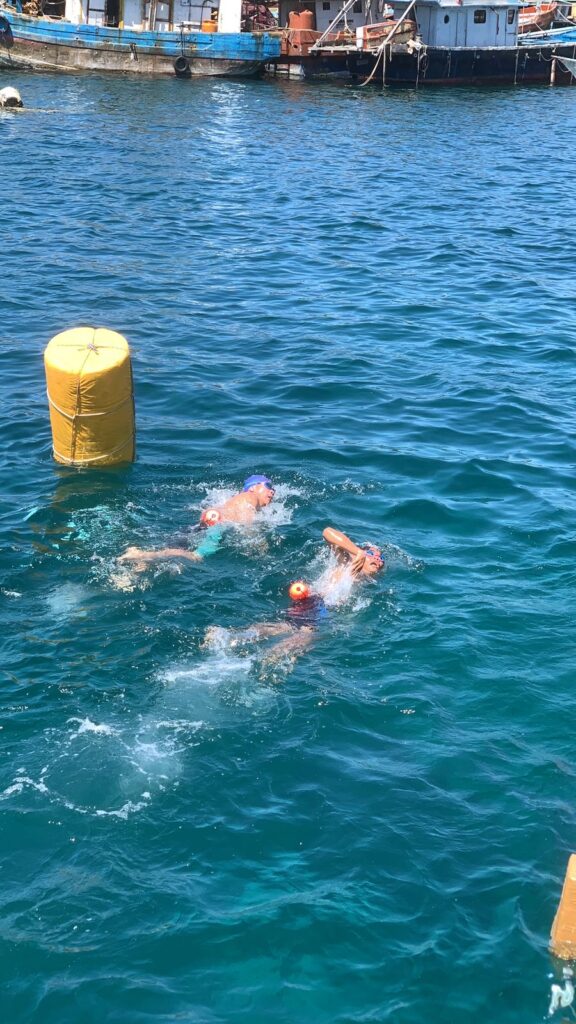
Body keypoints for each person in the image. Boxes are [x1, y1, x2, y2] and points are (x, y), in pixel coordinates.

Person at [203, 527, 385, 667]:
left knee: (284, 627)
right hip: (319, 604)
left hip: (311, 603)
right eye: (372, 555)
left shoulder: (364, 580)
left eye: (380, 558)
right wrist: (357, 552)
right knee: (305, 638)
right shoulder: (346, 563)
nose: (377, 559)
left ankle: (226, 636)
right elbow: (327, 532)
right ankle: (263, 661)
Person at [118, 475, 276, 568]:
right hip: (217, 528)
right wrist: (259, 544)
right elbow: (248, 526)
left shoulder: (233, 499)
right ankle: (140, 555)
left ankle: (142, 564)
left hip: (204, 524)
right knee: (195, 557)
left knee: (178, 546)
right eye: (268, 486)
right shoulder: (249, 497)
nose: (272, 492)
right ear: (253, 487)